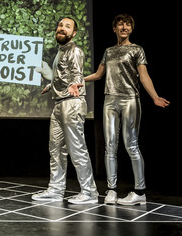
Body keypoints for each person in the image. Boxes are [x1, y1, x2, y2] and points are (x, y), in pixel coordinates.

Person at [84, 13, 170, 205]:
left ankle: (139, 191)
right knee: (110, 146)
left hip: (130, 99)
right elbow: (98, 75)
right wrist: (78, 80)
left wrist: (155, 97)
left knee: (131, 145)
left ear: (131, 28)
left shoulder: (137, 50)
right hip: (109, 100)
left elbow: (144, 75)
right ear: (114, 29)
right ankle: (111, 190)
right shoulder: (108, 51)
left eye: (128, 25)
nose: (124, 27)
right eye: (120, 25)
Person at [32, 17, 99, 204]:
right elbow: (62, 75)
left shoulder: (75, 50)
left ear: (74, 33)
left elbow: (77, 72)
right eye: (60, 25)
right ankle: (55, 189)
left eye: (67, 27)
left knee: (77, 149)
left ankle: (89, 192)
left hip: (72, 103)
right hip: (59, 104)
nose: (62, 28)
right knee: (55, 150)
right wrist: (51, 85)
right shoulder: (60, 52)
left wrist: (76, 84)